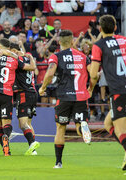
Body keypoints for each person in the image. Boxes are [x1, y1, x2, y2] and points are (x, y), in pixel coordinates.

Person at [39, 30, 91, 168]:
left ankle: (58, 162)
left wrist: (43, 87)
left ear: (59, 42)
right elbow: (94, 74)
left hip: (64, 97)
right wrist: (90, 88)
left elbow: (50, 73)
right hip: (81, 96)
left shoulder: (56, 56)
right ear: (72, 40)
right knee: (79, 123)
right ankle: (83, 126)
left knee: (61, 128)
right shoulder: (83, 57)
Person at [88, 14, 126, 172]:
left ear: (100, 29)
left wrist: (97, 75)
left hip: (120, 90)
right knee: (108, 124)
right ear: (115, 27)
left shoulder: (98, 45)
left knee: (121, 131)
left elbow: (93, 74)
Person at [10, 42, 40, 155]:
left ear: (15, 51)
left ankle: (32, 143)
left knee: (22, 124)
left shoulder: (17, 61)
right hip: (33, 92)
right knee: (28, 123)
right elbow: (34, 69)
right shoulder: (28, 58)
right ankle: (33, 150)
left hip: (23, 93)